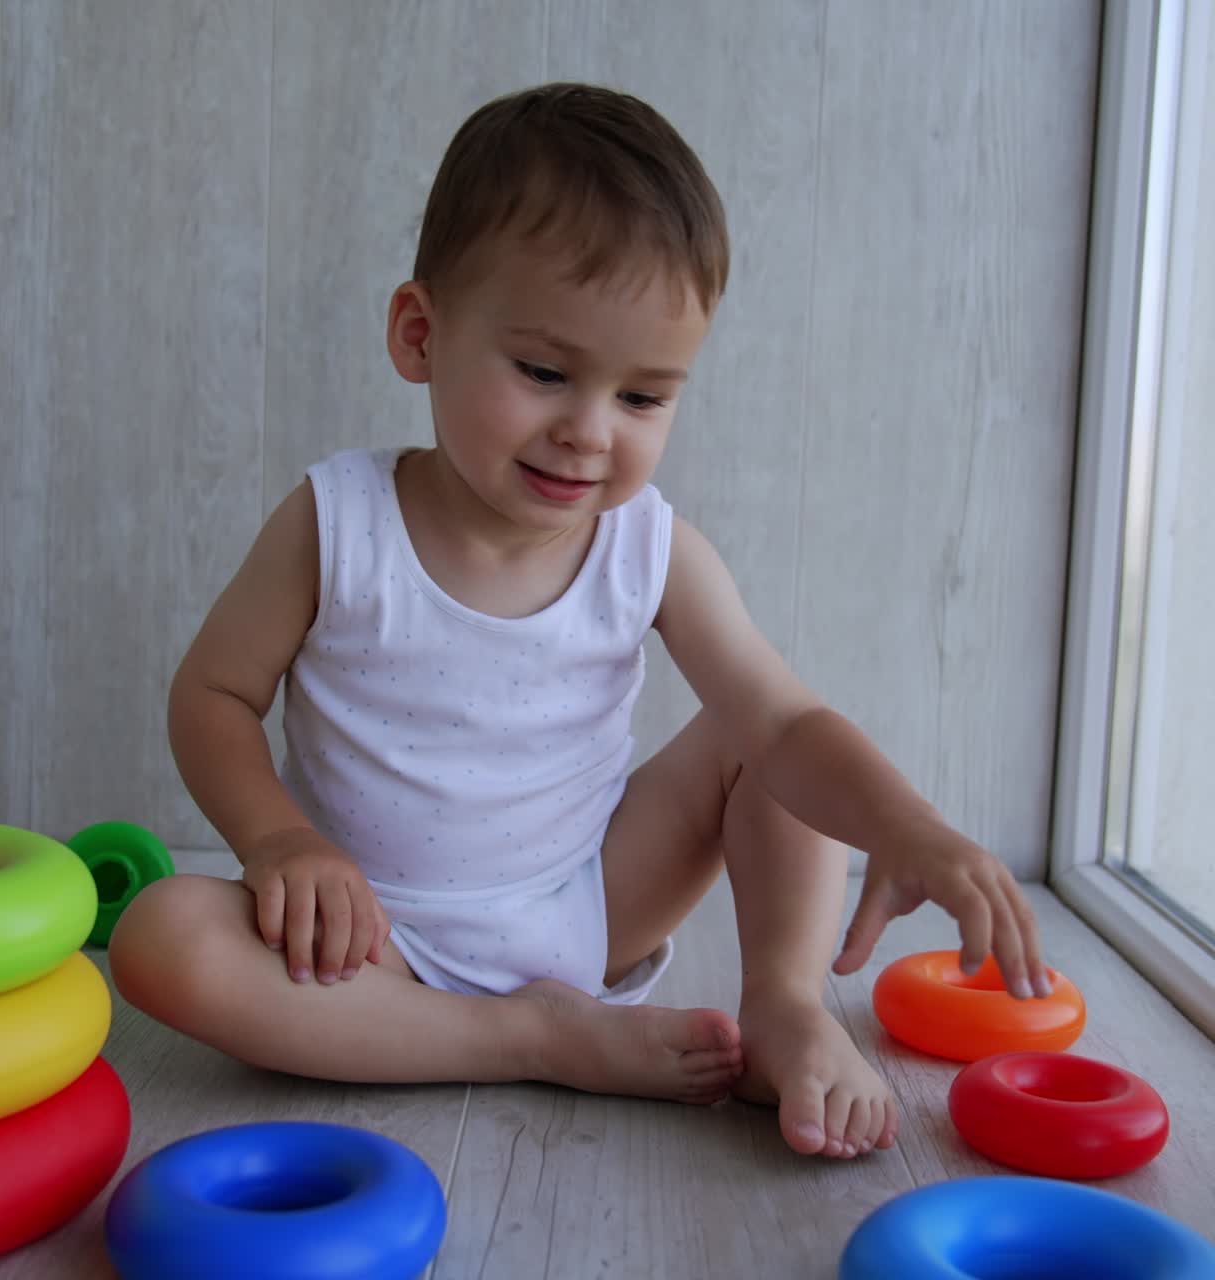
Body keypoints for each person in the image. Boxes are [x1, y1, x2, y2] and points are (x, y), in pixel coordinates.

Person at [110, 82, 1050, 1160]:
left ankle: (782, 1003)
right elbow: (214, 695)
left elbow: (783, 725)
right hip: (370, 941)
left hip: (587, 902)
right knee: (161, 939)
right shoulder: (338, 521)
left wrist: (906, 824)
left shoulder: (648, 548)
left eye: (643, 397)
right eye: (545, 372)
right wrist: (279, 840)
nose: (588, 432)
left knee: (759, 743)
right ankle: (518, 1036)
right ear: (420, 335)